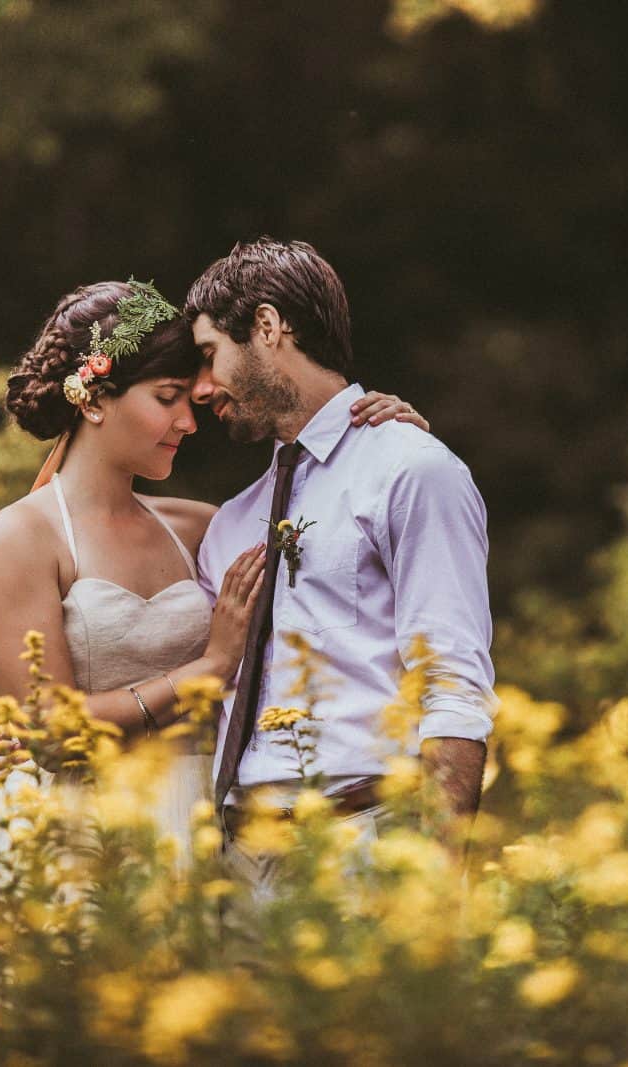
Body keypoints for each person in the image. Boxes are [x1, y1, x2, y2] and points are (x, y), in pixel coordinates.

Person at [0, 277, 427, 949]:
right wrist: (208, 668)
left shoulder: (203, 529)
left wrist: (385, 436)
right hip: (76, 827)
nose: (189, 420)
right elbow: (51, 729)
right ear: (93, 398)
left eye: (189, 398)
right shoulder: (15, 539)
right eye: (167, 398)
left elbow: (336, 537)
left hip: (197, 820)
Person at [185, 238, 495, 907]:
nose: (202, 389)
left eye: (209, 356)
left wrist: (436, 881)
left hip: (367, 845)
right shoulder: (229, 525)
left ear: (268, 326)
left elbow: (452, 686)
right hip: (236, 867)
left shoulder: (411, 470)